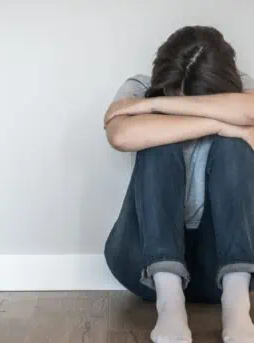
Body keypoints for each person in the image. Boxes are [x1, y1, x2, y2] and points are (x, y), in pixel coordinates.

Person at [103, 25, 254, 343]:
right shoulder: (141, 86)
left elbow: (250, 110)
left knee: (235, 146)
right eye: (172, 98)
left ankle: (237, 305)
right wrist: (219, 122)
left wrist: (151, 108)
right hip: (142, 263)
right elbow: (120, 135)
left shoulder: (241, 90)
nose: (178, 103)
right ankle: (170, 307)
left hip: (222, 264)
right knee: (159, 142)